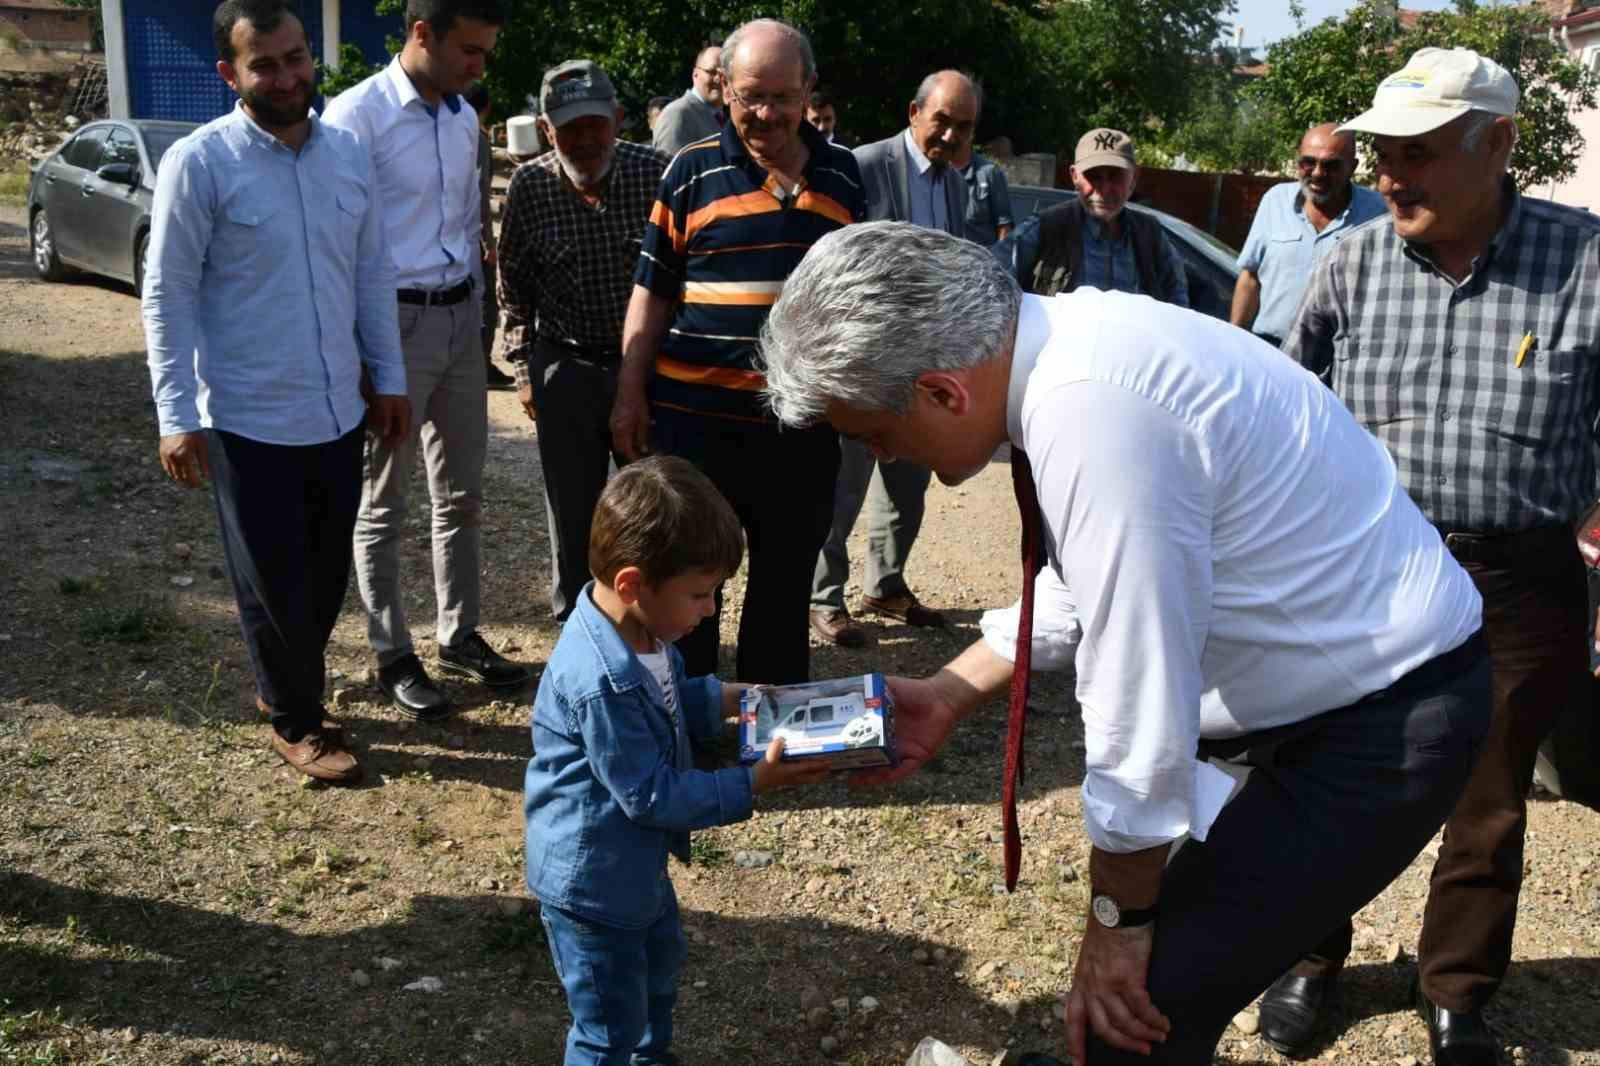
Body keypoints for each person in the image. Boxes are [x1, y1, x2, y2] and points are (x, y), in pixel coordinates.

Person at [758, 220, 1490, 1065]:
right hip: (1324, 701)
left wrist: (1117, 923)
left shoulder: (1095, 405)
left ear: (941, 391)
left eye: (875, 436)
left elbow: (1137, 706)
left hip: (1380, 721)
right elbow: (1085, 579)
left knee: (1133, 1017)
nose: (888, 456)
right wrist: (951, 692)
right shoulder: (1068, 348)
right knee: (1148, 1012)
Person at [1269, 49, 1600, 1066]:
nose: (1387, 176)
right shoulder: (1354, 261)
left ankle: (1455, 993)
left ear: (1494, 143)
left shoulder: (1585, 262)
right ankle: (1302, 957)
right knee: (1320, 773)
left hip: (1518, 581)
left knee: (1490, 801)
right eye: (1380, 154)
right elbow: (1279, 403)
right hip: (1362, 574)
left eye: (1413, 152)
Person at [143, 0, 410, 783]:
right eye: (267, 63)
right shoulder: (201, 163)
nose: (289, 76)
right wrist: (176, 415)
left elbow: (370, 275)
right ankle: (297, 718)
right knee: (275, 579)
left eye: (296, 58)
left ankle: (283, 688)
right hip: (245, 416)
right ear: (230, 72)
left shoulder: (348, 156)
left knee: (325, 577)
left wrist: (387, 379)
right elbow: (169, 293)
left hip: (335, 411)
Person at [525, 454, 828, 1066]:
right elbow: (652, 795)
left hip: (635, 870)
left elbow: (673, 699)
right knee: (606, 1026)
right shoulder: (602, 680)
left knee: (657, 977)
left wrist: (734, 700)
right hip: (594, 883)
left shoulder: (648, 636)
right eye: (700, 593)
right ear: (634, 584)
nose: (711, 609)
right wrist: (754, 783)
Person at [609, 18, 866, 684]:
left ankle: (770, 723)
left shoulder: (845, 178)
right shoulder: (690, 172)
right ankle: (688, 720)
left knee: (783, 583)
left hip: (801, 428)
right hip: (696, 427)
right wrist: (629, 393)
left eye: (781, 97)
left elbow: (856, 303)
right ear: (723, 89)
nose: (765, 113)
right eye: (750, 95)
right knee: (689, 583)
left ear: (808, 89)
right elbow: (652, 293)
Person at [324, 0, 531, 722]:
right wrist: (362, 352)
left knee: (463, 493)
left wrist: (481, 316)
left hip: (457, 319)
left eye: (485, 52)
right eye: (469, 50)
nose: (480, 66)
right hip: (393, 325)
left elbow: (469, 224)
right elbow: (335, 240)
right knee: (384, 499)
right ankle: (390, 651)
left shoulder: (460, 117)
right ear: (422, 34)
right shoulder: (356, 117)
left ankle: (459, 632)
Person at [808, 70, 977, 648]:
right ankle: (822, 596)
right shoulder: (862, 164)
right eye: (942, 121)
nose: (951, 136)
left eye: (964, 126)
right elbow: (833, 258)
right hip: (864, 355)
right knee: (844, 483)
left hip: (922, 359)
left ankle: (885, 583)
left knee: (910, 479)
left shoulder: (957, 180)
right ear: (913, 112)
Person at [497, 59, 669, 621]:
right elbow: (514, 293)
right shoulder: (529, 186)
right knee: (573, 514)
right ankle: (580, 625)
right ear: (547, 129)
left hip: (646, 372)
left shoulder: (657, 175)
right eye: (570, 127)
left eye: (597, 123)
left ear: (618, 118)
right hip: (566, 368)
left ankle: (656, 620)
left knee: (654, 505)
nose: (586, 139)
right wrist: (526, 375)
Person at [1229, 123, 1385, 348]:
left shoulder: (1378, 212)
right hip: (1271, 348)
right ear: (1297, 160)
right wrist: (1235, 339)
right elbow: (1250, 278)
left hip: (1339, 356)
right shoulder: (1275, 201)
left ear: (1352, 167)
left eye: (1331, 165)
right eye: (1308, 162)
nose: (1318, 173)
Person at [995, 128, 1187, 307]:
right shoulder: (1045, 229)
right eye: (1093, 176)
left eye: (1115, 176)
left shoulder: (1151, 237)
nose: (1104, 189)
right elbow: (991, 281)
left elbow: (1179, 309)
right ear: (1074, 176)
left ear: (1134, 177)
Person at [464, 80, 515, 389]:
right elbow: (479, 192)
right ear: (486, 108)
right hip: (474, 237)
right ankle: (480, 365)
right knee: (486, 305)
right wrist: (488, 240)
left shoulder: (447, 131)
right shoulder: (477, 138)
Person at [651, 44, 723, 157]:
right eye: (712, 72)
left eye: (724, 74)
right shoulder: (677, 114)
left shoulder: (723, 116)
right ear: (695, 74)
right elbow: (668, 169)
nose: (719, 79)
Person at [954, 136, 1014, 247]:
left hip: (980, 259)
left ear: (971, 133)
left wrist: (1000, 259)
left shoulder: (989, 173)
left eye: (961, 127)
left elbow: (1004, 225)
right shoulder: (937, 172)